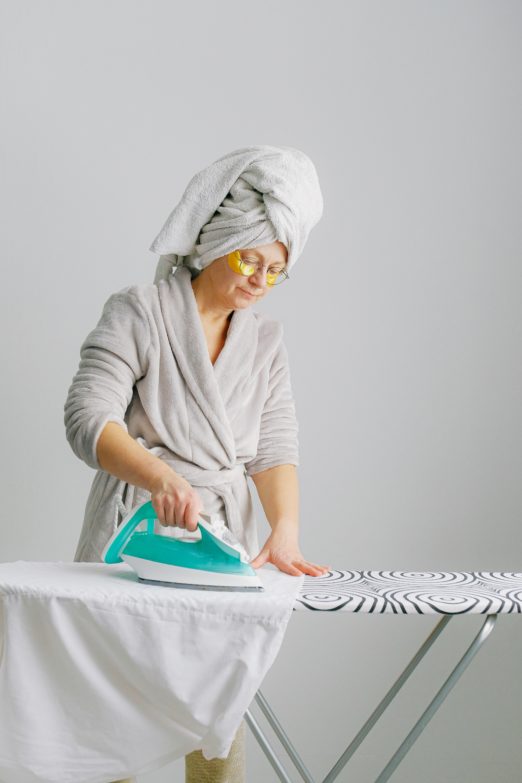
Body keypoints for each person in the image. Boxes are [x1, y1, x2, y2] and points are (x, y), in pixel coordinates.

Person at [64, 145, 330, 783]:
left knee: (217, 735)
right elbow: (86, 417)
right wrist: (159, 477)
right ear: (218, 239)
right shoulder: (138, 312)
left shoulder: (265, 341)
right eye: (250, 260)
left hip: (221, 543)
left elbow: (274, 446)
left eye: (274, 272)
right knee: (114, 724)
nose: (258, 283)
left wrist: (283, 530)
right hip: (137, 532)